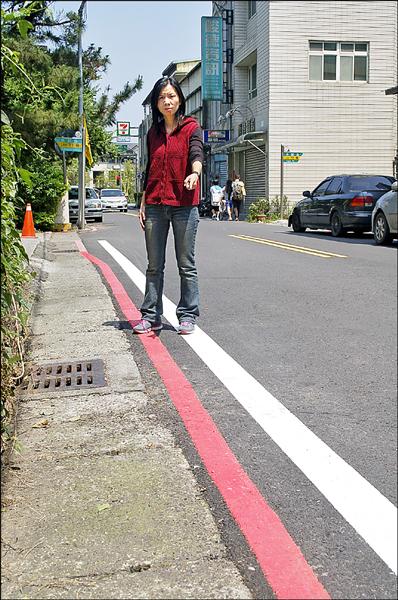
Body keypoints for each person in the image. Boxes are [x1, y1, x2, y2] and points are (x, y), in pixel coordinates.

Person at [133, 76, 203, 335]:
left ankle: (187, 314)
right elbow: (150, 168)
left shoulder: (191, 127)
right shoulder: (153, 132)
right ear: (157, 102)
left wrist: (194, 173)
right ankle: (151, 315)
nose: (167, 101)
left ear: (180, 98)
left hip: (184, 204)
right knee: (154, 265)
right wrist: (143, 201)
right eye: (162, 97)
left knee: (186, 264)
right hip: (154, 204)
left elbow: (197, 153)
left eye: (171, 96)